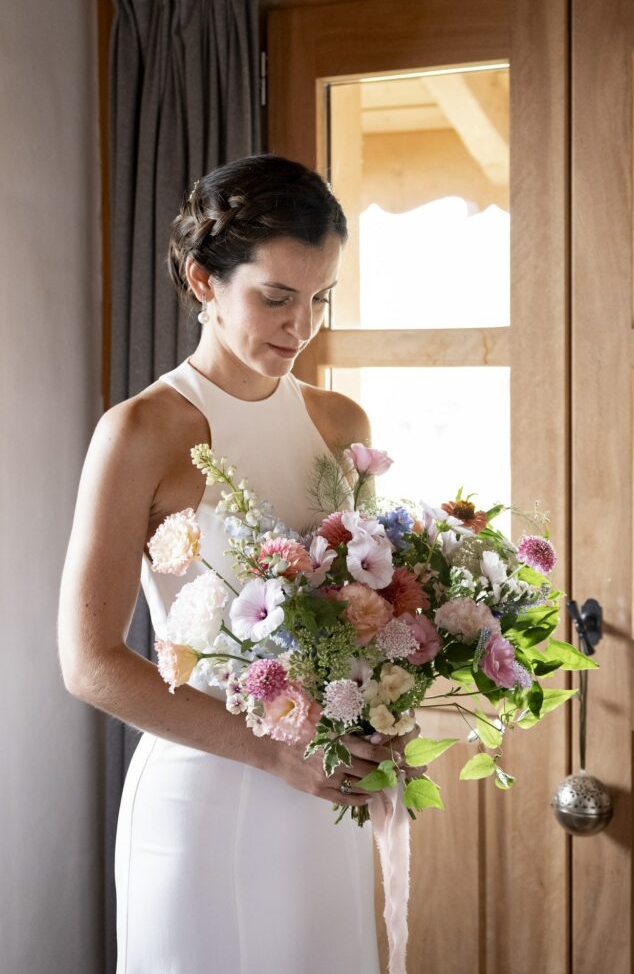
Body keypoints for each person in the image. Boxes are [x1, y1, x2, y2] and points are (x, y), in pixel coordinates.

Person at [58, 154, 421, 973]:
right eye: (276, 298)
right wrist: (269, 751)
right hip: (205, 795)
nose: (302, 327)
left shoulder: (339, 421)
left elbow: (364, 604)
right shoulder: (140, 432)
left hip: (323, 804)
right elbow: (89, 663)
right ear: (201, 281)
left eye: (320, 298)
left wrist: (381, 708)